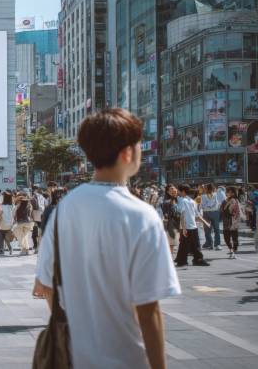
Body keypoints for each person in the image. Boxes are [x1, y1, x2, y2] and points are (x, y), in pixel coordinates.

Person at [34, 108, 181, 369]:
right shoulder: (141, 216)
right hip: (126, 359)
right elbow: (149, 311)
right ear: (127, 153)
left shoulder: (64, 209)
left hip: (70, 357)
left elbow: (45, 283)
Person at [175, 184, 210, 267]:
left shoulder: (184, 201)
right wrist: (183, 228)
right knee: (185, 245)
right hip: (188, 226)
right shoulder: (191, 201)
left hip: (189, 226)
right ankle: (183, 261)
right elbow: (195, 215)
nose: (178, 192)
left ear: (183, 191)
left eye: (179, 191)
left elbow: (184, 215)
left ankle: (195, 260)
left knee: (194, 245)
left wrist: (205, 222)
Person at [200, 183, 223, 250]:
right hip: (214, 212)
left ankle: (210, 243)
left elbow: (203, 205)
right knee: (216, 229)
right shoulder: (215, 195)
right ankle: (217, 244)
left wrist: (207, 206)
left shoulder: (204, 195)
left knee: (207, 229)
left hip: (206, 212)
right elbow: (218, 203)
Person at [221, 186, 242, 259]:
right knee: (228, 238)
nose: (227, 193)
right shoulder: (225, 200)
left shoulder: (235, 201)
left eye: (229, 192)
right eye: (227, 191)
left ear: (233, 193)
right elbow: (222, 210)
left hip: (233, 221)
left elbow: (237, 212)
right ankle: (232, 250)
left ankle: (233, 251)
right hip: (227, 221)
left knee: (233, 238)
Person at [160, 185, 181, 257]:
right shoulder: (167, 202)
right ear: (168, 192)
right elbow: (165, 215)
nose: (173, 190)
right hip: (171, 225)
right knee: (171, 244)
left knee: (174, 243)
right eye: (171, 189)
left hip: (178, 224)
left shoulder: (179, 200)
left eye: (174, 188)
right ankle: (169, 259)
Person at [0, 191, 15, 256]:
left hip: (2, 224)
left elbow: (0, 216)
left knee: (0, 235)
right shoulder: (12, 206)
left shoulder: (1, 206)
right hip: (10, 224)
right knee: (7, 237)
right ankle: (10, 248)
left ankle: (2, 250)